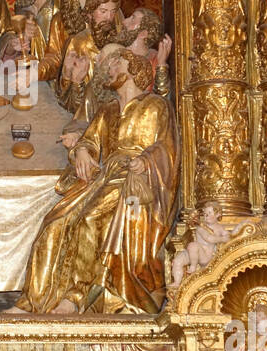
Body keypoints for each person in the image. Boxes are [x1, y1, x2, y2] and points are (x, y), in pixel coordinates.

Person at [14, 51, 178, 314]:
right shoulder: (108, 109)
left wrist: (146, 161)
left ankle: (76, 297)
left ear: (135, 69)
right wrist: (81, 151)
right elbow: (90, 140)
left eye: (117, 63)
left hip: (136, 183)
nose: (110, 69)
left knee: (91, 219)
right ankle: (33, 302)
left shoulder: (155, 105)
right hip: (104, 177)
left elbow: (167, 147)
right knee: (55, 222)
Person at [58, 0, 123, 114]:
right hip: (86, 106)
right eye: (103, 11)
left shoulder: (118, 41)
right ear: (89, 14)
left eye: (112, 12)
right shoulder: (79, 42)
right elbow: (67, 86)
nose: (109, 18)